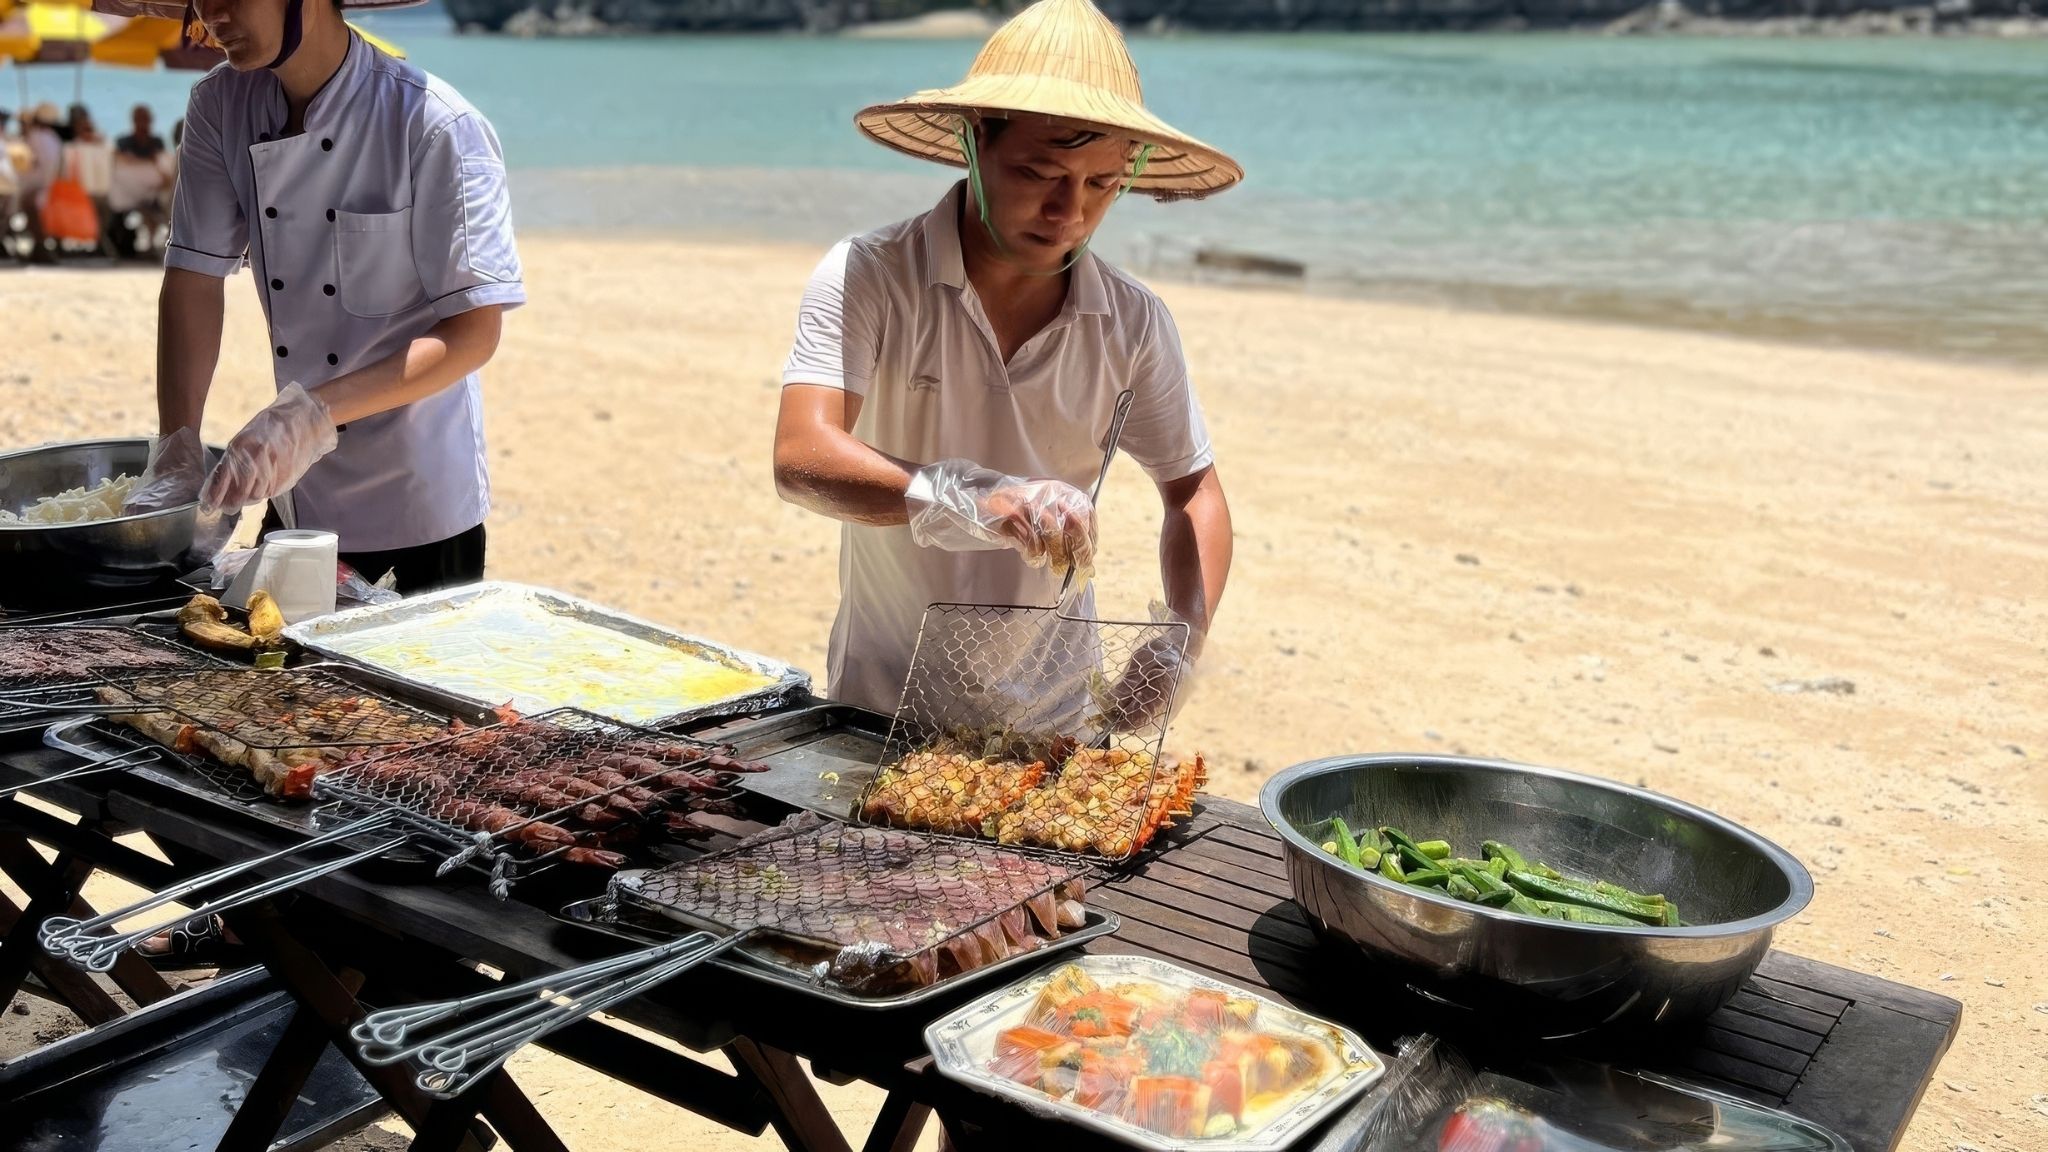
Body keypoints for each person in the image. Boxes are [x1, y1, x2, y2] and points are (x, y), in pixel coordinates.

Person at [772, 0, 1240, 728]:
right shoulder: (872, 274)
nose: (1069, 211)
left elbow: (1193, 491)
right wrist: (967, 495)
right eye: (1037, 172)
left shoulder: (1132, 322)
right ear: (973, 143)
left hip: (1060, 718)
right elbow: (802, 455)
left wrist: (1182, 637)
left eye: (1102, 184)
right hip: (881, 701)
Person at [157, 0, 524, 594]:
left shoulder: (434, 124)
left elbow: (474, 333)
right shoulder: (220, 105)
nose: (210, 12)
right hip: (298, 491)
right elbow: (194, 277)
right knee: (275, 676)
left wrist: (310, 414)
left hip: (417, 494)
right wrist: (177, 444)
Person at [110, 104, 173, 255]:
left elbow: (162, 166)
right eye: (141, 119)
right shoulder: (125, 141)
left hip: (154, 191)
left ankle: (151, 244)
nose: (144, 123)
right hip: (130, 191)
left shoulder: (156, 141)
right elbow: (119, 160)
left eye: (146, 119)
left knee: (158, 205)